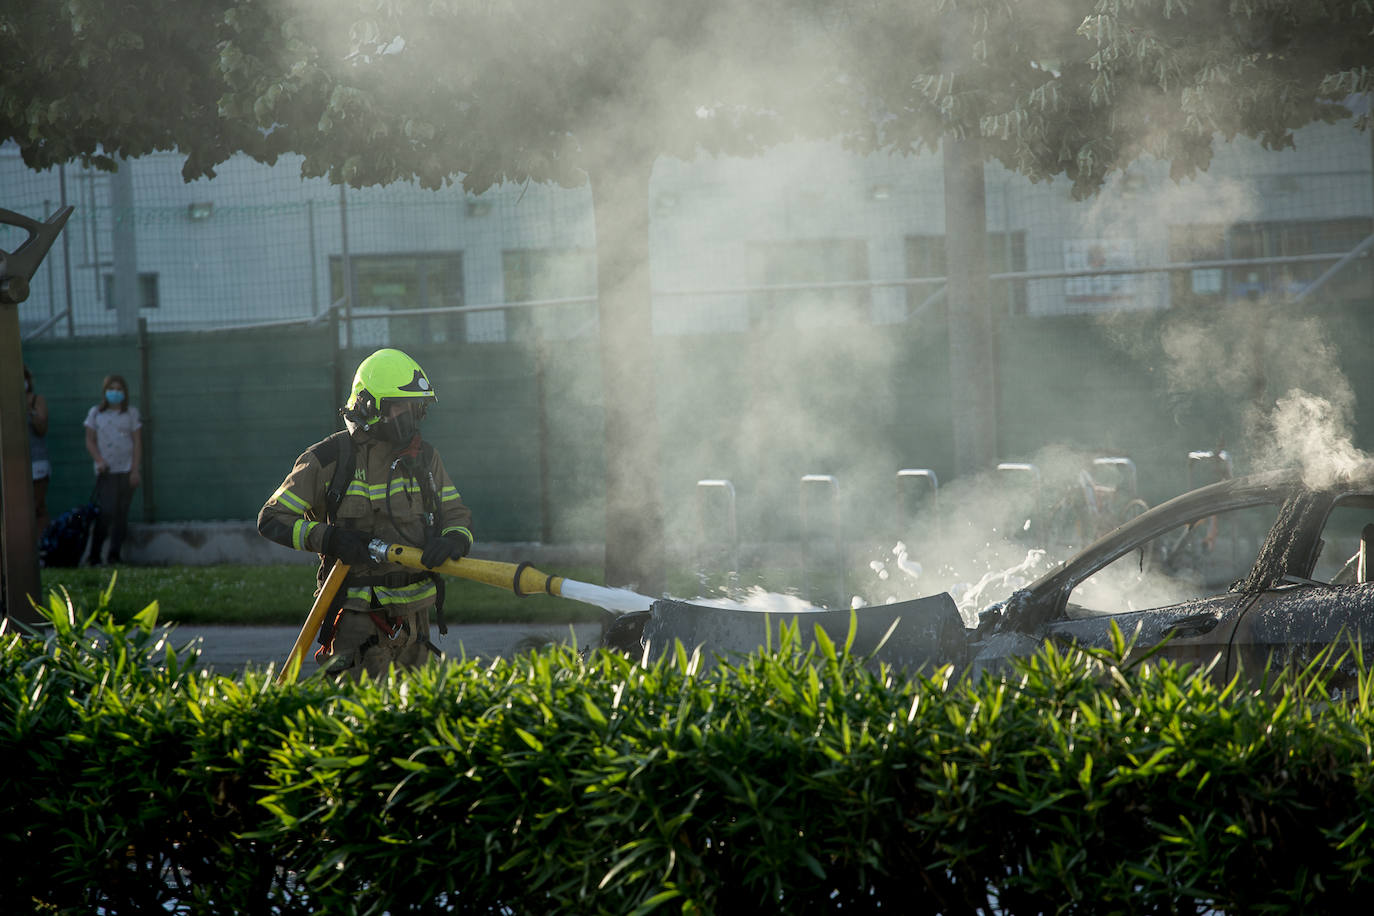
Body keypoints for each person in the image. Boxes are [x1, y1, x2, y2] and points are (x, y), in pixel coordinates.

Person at [257, 348, 474, 680]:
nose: (408, 417)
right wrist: (330, 538)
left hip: (416, 623)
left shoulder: (425, 459)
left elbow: (456, 513)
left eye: (413, 407)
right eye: (398, 406)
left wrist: (455, 539)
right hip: (358, 621)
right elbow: (272, 519)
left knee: (420, 724)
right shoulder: (329, 458)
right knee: (362, 720)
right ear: (369, 405)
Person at [83, 373, 142, 565]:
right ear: (104, 392)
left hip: (126, 471)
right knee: (106, 512)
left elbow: (137, 442)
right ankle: (94, 555)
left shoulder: (131, 413)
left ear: (125, 393)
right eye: (111, 389)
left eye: (119, 390)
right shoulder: (95, 413)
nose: (115, 393)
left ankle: (114, 555)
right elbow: (90, 440)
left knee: (121, 514)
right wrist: (99, 460)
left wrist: (134, 470)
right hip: (106, 471)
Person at [25, 366, 51, 548]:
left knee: (37, 506)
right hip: (12, 464)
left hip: (37, 461)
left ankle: (42, 546)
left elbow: (41, 429)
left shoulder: (36, 401)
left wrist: (29, 410)